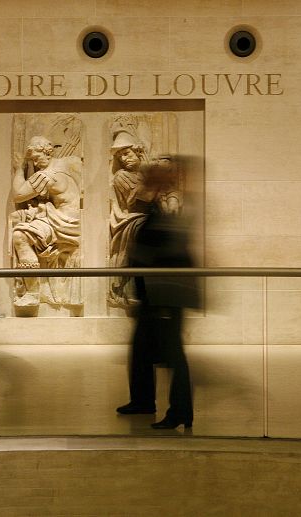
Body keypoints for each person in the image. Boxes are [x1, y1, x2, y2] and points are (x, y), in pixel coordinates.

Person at [115, 158, 197, 429]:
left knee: (173, 355)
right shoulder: (154, 210)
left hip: (165, 296)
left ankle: (180, 411)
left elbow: (172, 255)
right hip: (153, 295)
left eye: (152, 176)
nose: (145, 179)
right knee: (141, 349)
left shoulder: (169, 213)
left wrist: (161, 298)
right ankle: (142, 400)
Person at [10, 136, 82, 307]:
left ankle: (32, 294)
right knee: (20, 219)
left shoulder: (46, 176)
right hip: (72, 217)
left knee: (20, 236)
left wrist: (20, 169)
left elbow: (18, 194)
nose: (35, 163)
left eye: (36, 158)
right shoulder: (67, 162)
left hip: (63, 223)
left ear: (47, 152)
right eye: (32, 160)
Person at [107, 130, 148, 307]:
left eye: (126, 153)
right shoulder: (121, 176)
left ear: (138, 152)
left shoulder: (148, 173)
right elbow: (141, 198)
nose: (124, 159)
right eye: (120, 156)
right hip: (131, 218)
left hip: (148, 217)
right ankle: (132, 288)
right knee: (142, 230)